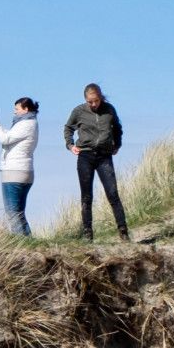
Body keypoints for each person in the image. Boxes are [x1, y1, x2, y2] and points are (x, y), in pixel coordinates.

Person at [63, 83, 128, 241]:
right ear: (86, 99)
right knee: (87, 196)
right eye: (90, 102)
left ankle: (123, 231)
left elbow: (117, 128)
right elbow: (68, 128)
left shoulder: (109, 109)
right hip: (85, 156)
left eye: (96, 101)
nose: (93, 104)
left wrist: (117, 144)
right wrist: (70, 145)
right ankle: (88, 233)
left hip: (104, 156)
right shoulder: (78, 111)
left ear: (100, 97)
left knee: (112, 194)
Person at [0, 97, 39, 236]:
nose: (14, 112)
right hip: (23, 171)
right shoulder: (27, 123)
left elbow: (5, 138)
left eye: (17, 109)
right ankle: (28, 243)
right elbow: (9, 135)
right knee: (19, 213)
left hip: (15, 172)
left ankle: (21, 246)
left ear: (26, 109)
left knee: (13, 213)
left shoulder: (26, 124)